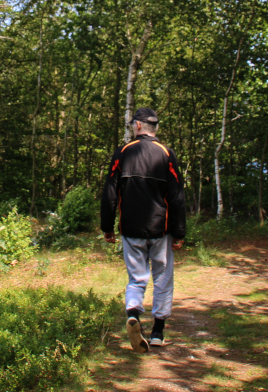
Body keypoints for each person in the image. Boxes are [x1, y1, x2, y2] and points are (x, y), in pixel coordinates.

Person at [100, 107, 186, 353]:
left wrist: (107, 227)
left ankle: (133, 313)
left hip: (131, 228)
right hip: (161, 229)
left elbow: (110, 193)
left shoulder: (123, 152)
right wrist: (179, 232)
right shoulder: (166, 154)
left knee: (137, 278)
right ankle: (158, 331)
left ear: (138, 126)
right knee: (162, 278)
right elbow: (177, 196)